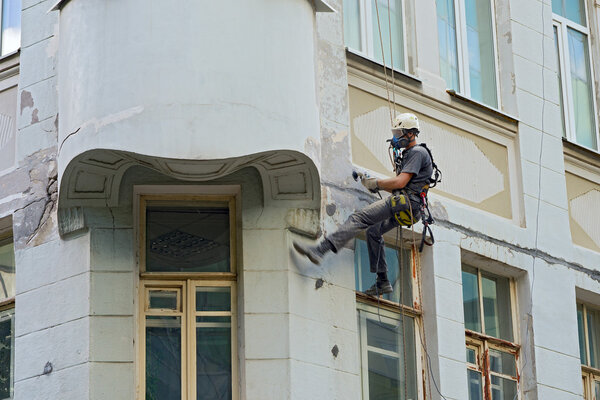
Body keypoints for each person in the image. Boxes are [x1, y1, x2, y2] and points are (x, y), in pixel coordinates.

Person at [293, 113, 434, 296]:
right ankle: (383, 281)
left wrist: (376, 183)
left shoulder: (417, 153)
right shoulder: (411, 154)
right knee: (374, 231)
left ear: (410, 134)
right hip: (410, 205)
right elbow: (401, 185)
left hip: (406, 202)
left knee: (359, 218)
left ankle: (321, 250)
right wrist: (372, 182)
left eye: (399, 132)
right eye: (395, 132)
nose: (395, 137)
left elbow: (399, 183)